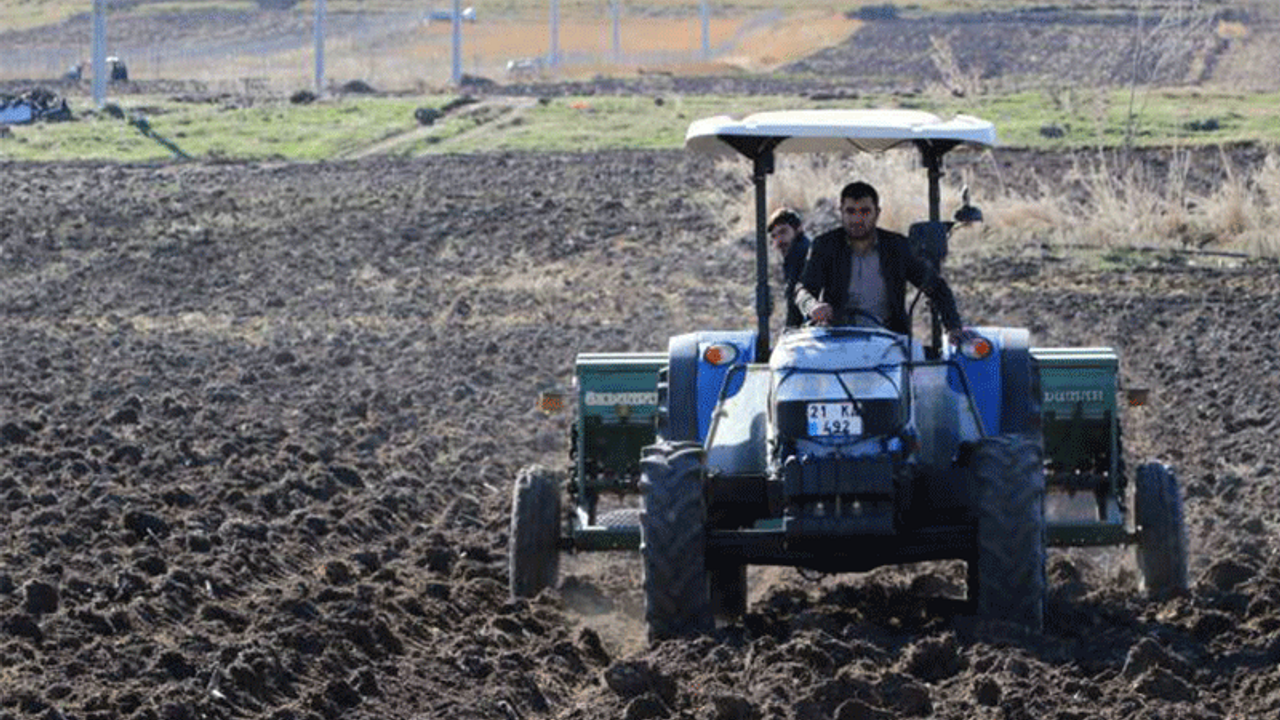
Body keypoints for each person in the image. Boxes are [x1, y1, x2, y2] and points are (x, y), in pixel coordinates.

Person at [794, 181, 969, 343]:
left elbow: (937, 287)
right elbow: (803, 289)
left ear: (877, 213)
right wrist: (813, 306)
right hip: (838, 341)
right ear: (841, 212)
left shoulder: (897, 246)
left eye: (864, 211)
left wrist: (952, 327)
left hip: (888, 342)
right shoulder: (825, 245)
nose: (857, 219)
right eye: (850, 211)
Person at [767, 207, 810, 329]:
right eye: (774, 236)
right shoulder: (793, 256)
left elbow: (795, 306)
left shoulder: (801, 253)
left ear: (798, 229)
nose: (779, 241)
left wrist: (790, 331)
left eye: (783, 232)